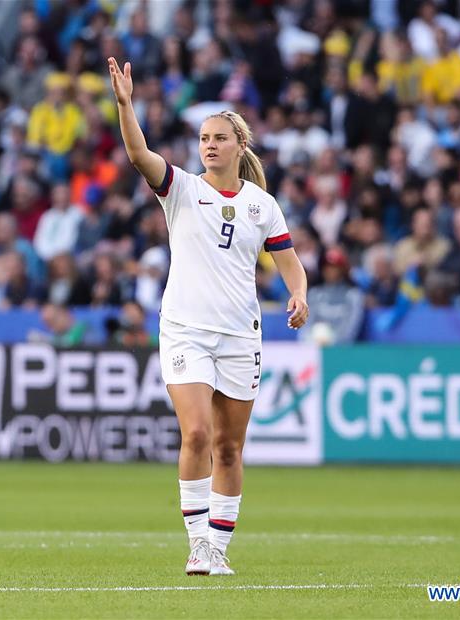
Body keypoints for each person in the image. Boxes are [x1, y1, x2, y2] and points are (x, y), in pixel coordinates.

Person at [108, 57, 309, 576]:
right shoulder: (181, 189)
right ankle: (198, 544)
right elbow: (138, 153)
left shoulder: (263, 205)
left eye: (219, 138)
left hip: (241, 336)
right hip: (186, 330)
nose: (209, 145)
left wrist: (298, 295)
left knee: (229, 446)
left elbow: (289, 263)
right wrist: (126, 105)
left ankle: (219, 548)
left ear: (240, 145)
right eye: (203, 138)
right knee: (196, 433)